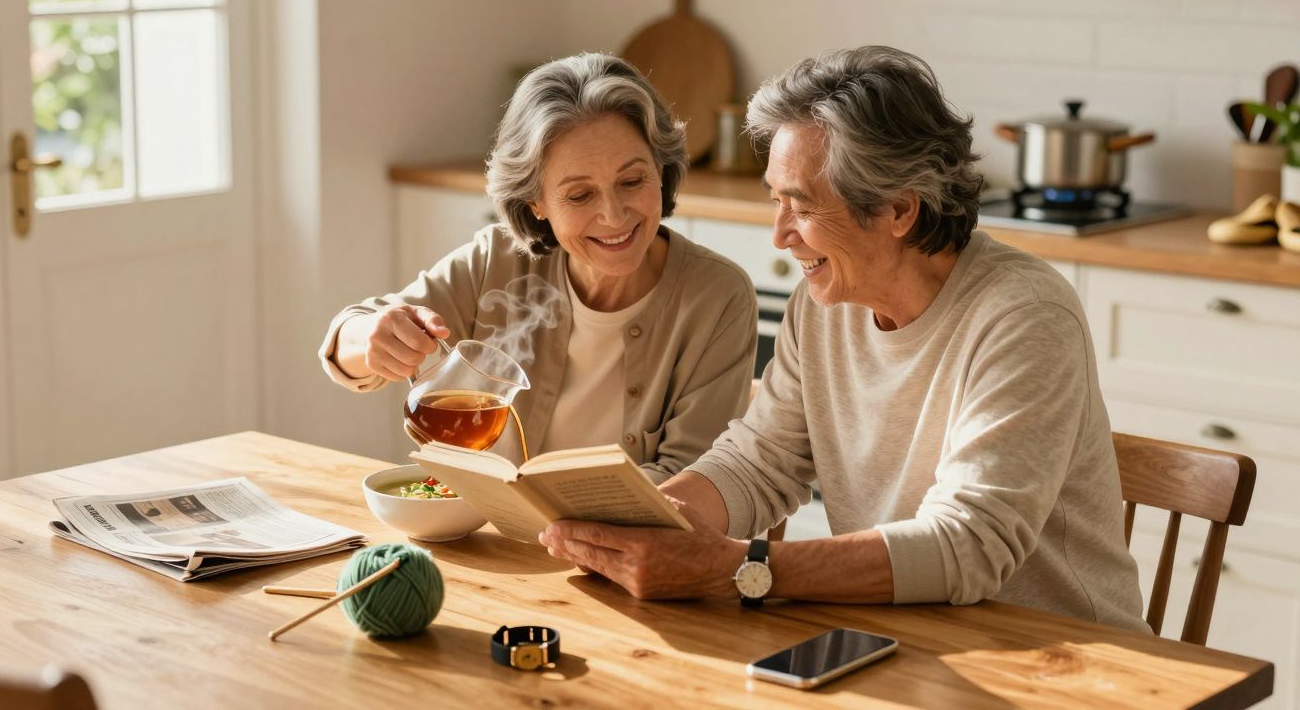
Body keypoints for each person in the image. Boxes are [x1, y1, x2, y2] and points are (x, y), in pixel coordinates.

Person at [538, 46, 1148, 632]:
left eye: (800, 207)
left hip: (1060, 657)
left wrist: (734, 569)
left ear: (898, 210)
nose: (780, 236)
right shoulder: (826, 303)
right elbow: (758, 462)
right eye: (776, 201)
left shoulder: (1023, 315)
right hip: (906, 638)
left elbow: (970, 545)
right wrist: (650, 523)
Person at [319, 53, 757, 482]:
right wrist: (372, 338)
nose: (615, 215)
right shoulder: (498, 261)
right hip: (486, 539)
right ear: (537, 203)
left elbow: (692, 481)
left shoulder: (717, 296)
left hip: (621, 550)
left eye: (631, 181)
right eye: (580, 195)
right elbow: (347, 339)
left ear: (660, 171)